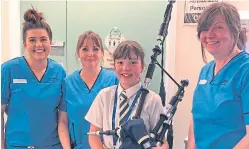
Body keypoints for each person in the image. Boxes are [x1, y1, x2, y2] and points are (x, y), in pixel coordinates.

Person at [1, 9, 66, 149]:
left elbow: (63, 118)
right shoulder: (9, 70)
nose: (38, 45)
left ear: (50, 42)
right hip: (18, 145)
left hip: (52, 145)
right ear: (25, 44)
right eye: (32, 40)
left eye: (43, 39)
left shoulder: (59, 72)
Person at [85, 40, 169, 149]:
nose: (126, 68)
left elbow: (164, 142)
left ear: (142, 66)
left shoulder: (153, 100)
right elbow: (93, 135)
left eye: (133, 62)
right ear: (114, 65)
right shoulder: (104, 96)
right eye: (120, 62)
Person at [188, 2, 249, 149]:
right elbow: (195, 121)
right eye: (205, 29)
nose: (210, 34)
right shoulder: (205, 71)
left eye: (218, 27)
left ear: (235, 30)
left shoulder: (245, 70)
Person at [58, 30, 118, 149]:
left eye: (95, 49)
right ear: (78, 53)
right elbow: (63, 122)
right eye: (85, 49)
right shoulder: (68, 83)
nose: (90, 53)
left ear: (101, 53)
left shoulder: (113, 80)